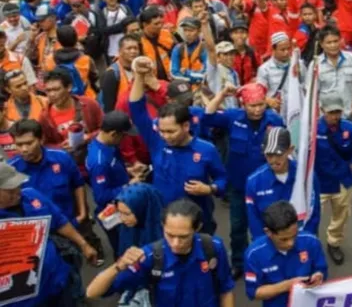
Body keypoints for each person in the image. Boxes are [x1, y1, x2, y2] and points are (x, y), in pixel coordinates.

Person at [129, 56, 227, 235]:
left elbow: (223, 180)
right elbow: (136, 108)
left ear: (186, 126)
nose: (165, 136)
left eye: (171, 132)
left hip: (199, 221)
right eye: (162, 131)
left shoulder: (206, 150)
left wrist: (209, 189)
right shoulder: (156, 140)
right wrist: (139, 76)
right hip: (165, 220)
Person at [86, 199, 235, 307]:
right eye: (169, 235)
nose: (175, 243)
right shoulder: (150, 257)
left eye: (183, 236)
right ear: (163, 226)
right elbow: (92, 293)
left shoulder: (212, 248)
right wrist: (118, 266)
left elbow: (226, 289)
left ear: (197, 228)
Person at [203, 82, 284, 278]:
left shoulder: (275, 120)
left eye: (260, 104)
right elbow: (208, 116)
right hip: (238, 186)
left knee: (268, 225)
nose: (257, 110)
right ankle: (239, 261)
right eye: (252, 106)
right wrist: (222, 93)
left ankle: (268, 260)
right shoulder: (233, 117)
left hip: (266, 185)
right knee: (238, 227)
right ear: (243, 105)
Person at [0, 162, 98, 306]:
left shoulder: (32, 195)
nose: (17, 192)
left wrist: (84, 245)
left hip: (60, 281)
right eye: (9, 190)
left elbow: (59, 221)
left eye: (18, 185)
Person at [244, 201, 328, 307]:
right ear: (268, 232)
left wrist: (319, 275)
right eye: (284, 239)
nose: (291, 243)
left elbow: (321, 270)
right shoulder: (253, 255)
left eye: (294, 235)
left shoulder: (311, 242)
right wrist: (287, 286)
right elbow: (254, 292)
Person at [246, 127, 320, 239]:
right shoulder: (254, 182)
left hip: (300, 239)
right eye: (269, 155)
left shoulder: (306, 177)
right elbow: (254, 221)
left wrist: (305, 241)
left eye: (279, 154)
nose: (274, 160)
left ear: (290, 150)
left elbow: (314, 213)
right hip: (270, 243)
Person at [314, 93, 352, 265]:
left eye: (338, 112)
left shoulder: (350, 128)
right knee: (312, 216)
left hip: (342, 179)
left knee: (341, 215)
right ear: (322, 110)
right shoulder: (312, 129)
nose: (335, 116)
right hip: (319, 181)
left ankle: (334, 242)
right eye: (331, 112)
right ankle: (310, 245)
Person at [85, 111, 139, 254]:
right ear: (114, 134)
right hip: (115, 213)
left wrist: (128, 170)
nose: (125, 139)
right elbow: (101, 196)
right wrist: (129, 185)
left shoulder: (108, 145)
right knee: (124, 251)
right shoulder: (99, 161)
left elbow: (115, 168)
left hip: (125, 203)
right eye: (124, 135)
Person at [316, 25, 352, 121]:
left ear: (341, 40)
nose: (333, 45)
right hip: (324, 117)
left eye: (335, 41)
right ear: (321, 44)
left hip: (348, 115)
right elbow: (313, 92)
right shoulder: (315, 64)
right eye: (329, 42)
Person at [256, 32, 306, 117]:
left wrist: (299, 74)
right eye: (282, 50)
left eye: (288, 49)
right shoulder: (265, 69)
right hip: (276, 113)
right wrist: (268, 100)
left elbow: (306, 87)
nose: (286, 52)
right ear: (273, 49)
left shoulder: (298, 64)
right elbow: (259, 94)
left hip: (296, 112)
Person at [44, 25, 100, 99]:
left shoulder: (49, 60)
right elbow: (95, 77)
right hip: (84, 98)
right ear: (76, 39)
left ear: (59, 41)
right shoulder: (86, 59)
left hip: (60, 99)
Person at [100, 34, 140, 112]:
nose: (133, 51)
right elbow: (109, 107)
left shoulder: (139, 70)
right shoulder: (111, 74)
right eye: (129, 48)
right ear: (120, 51)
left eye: (136, 48)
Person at [139, 6, 176, 82]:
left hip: (171, 79)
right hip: (151, 83)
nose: (160, 26)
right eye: (156, 24)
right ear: (145, 24)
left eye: (161, 23)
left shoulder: (167, 34)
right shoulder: (137, 42)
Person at [170, 16, 207, 86]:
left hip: (201, 88)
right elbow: (174, 73)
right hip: (183, 88)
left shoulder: (204, 48)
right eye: (185, 30)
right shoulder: (178, 48)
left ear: (199, 31)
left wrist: (187, 73)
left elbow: (206, 74)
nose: (187, 34)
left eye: (191, 30)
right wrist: (193, 78)